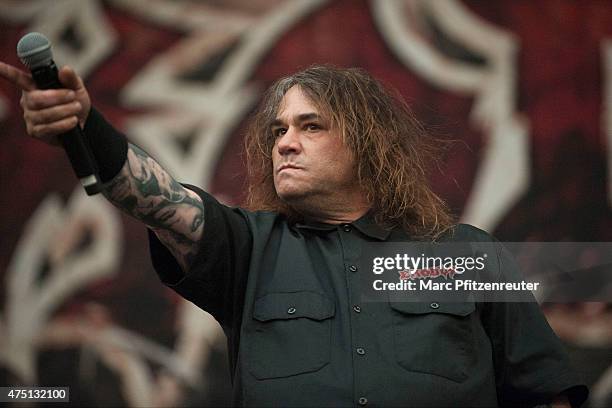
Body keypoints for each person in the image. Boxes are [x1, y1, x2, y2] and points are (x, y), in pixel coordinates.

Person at [0, 61, 588, 407]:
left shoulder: (467, 254)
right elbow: (158, 200)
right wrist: (84, 127)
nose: (284, 142)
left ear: (367, 144)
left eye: (311, 126)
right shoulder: (248, 250)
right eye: (279, 129)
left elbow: (546, 392)